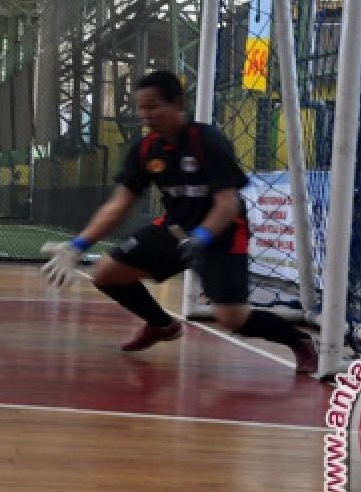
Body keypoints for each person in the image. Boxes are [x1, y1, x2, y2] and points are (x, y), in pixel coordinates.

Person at [42, 70, 318, 374]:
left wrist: (202, 238)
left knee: (232, 318)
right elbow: (120, 204)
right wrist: (77, 246)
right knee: (106, 273)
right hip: (175, 230)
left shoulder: (207, 141)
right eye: (140, 108)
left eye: (152, 106)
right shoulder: (145, 149)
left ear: (177, 103)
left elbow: (227, 204)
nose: (144, 115)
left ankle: (300, 341)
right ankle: (161, 325)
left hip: (221, 234)